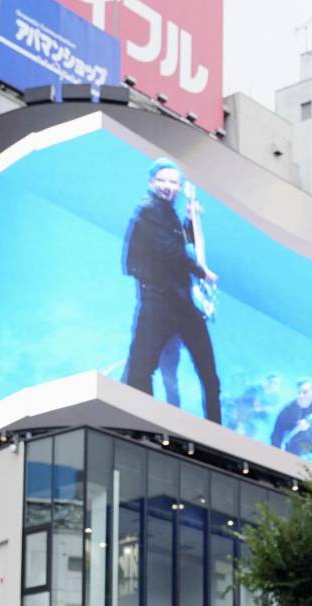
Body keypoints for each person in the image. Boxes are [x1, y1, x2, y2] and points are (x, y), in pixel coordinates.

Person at [122, 157, 222, 423]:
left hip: (180, 302)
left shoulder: (166, 213)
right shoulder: (148, 210)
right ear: (151, 182)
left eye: (173, 182)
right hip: (158, 299)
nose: (168, 186)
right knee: (142, 367)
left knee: (209, 375)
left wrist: (190, 221)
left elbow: (178, 242)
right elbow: (170, 250)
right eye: (163, 181)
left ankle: (216, 432)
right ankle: (138, 422)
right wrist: (203, 273)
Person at [269, 378, 312, 457]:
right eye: (299, 393)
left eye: (305, 392)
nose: (301, 396)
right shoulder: (287, 409)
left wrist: (308, 428)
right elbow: (276, 433)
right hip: (291, 447)